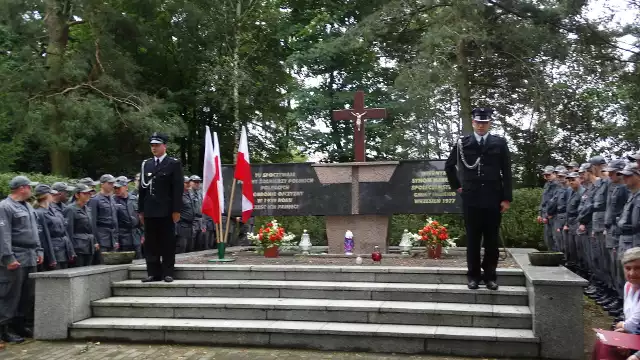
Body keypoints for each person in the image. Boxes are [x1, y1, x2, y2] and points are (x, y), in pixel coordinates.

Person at [445, 107, 512, 290]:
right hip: (471, 198)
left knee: (491, 240)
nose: (481, 126)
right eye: (478, 122)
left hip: (493, 198)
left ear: (489, 123)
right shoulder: (462, 143)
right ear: (473, 123)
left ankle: (490, 276)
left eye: (484, 122)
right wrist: (457, 186)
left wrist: (506, 198)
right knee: (473, 240)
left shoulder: (499, 143)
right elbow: (449, 166)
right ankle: (473, 276)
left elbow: (506, 171)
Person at [0, 176, 44, 343]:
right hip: (15, 257)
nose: (31, 190)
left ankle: (20, 325)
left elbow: (34, 231)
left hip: (30, 256)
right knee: (10, 295)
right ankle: (4, 329)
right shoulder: (5, 207)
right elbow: (3, 235)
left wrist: (39, 250)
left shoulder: (27, 206)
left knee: (27, 294)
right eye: (29, 187)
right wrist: (8, 257)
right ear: (22, 188)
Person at [138, 132, 183, 283]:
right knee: (151, 242)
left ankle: (168, 272)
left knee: (167, 241)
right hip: (150, 209)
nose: (154, 148)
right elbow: (142, 189)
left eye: (157, 145)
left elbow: (178, 188)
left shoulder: (173, 163)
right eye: (152, 145)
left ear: (164, 146)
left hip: (166, 209)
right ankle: (153, 272)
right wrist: (141, 210)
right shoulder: (147, 164)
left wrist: (176, 210)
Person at [592, 247, 640, 360]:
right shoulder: (629, 286)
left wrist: (637, 356)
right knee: (603, 344)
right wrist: (624, 333)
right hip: (635, 338)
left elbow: (633, 324)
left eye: (638, 268)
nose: (632, 273)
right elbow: (630, 320)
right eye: (628, 268)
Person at [34, 184, 76, 270]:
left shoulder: (55, 210)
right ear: (45, 196)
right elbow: (43, 237)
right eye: (51, 194)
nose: (54, 196)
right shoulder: (39, 213)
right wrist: (51, 257)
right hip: (53, 250)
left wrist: (71, 251)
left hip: (64, 249)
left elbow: (64, 231)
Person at [64, 184, 98, 267]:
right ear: (77, 195)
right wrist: (71, 251)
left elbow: (91, 228)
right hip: (78, 247)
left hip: (89, 246)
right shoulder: (70, 209)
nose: (88, 195)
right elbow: (68, 231)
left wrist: (95, 241)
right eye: (85, 193)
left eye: (89, 193)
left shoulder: (87, 209)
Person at [89, 174, 119, 264]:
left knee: (114, 263)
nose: (112, 185)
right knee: (103, 263)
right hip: (101, 235)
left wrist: (116, 239)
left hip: (112, 236)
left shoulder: (112, 199)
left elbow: (115, 219)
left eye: (113, 183)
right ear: (102, 184)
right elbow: (93, 221)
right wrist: (95, 240)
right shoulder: (95, 200)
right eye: (109, 183)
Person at [114, 178, 140, 257]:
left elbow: (141, 216)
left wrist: (142, 234)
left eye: (119, 188)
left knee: (139, 260)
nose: (116, 190)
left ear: (126, 187)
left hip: (136, 236)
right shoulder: (113, 201)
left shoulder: (134, 199)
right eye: (115, 188)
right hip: (122, 238)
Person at [564, 171, 585, 271]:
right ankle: (576, 268)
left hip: (578, 222)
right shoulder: (571, 191)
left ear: (580, 179)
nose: (571, 182)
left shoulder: (583, 192)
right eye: (569, 180)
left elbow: (582, 210)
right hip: (571, 222)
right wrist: (567, 224)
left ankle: (583, 271)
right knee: (571, 248)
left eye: (573, 179)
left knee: (580, 249)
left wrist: (580, 223)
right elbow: (568, 209)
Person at [538, 165, 559, 251]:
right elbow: (543, 200)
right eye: (545, 175)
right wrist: (540, 213)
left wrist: (548, 214)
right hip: (546, 215)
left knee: (556, 239)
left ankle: (559, 259)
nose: (547, 177)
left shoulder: (558, 185)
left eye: (548, 175)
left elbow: (555, 202)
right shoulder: (547, 185)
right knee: (548, 239)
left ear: (554, 174)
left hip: (554, 216)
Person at [176, 176, 195, 254]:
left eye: (188, 183)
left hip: (190, 225)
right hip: (182, 225)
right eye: (186, 183)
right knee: (181, 246)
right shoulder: (178, 195)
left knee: (189, 247)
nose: (188, 184)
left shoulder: (189, 194)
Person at [189, 175, 206, 250]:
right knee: (192, 241)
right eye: (195, 182)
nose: (197, 184)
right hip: (192, 220)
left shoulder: (199, 193)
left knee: (200, 241)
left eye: (198, 182)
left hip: (200, 220)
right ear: (190, 182)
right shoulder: (188, 193)